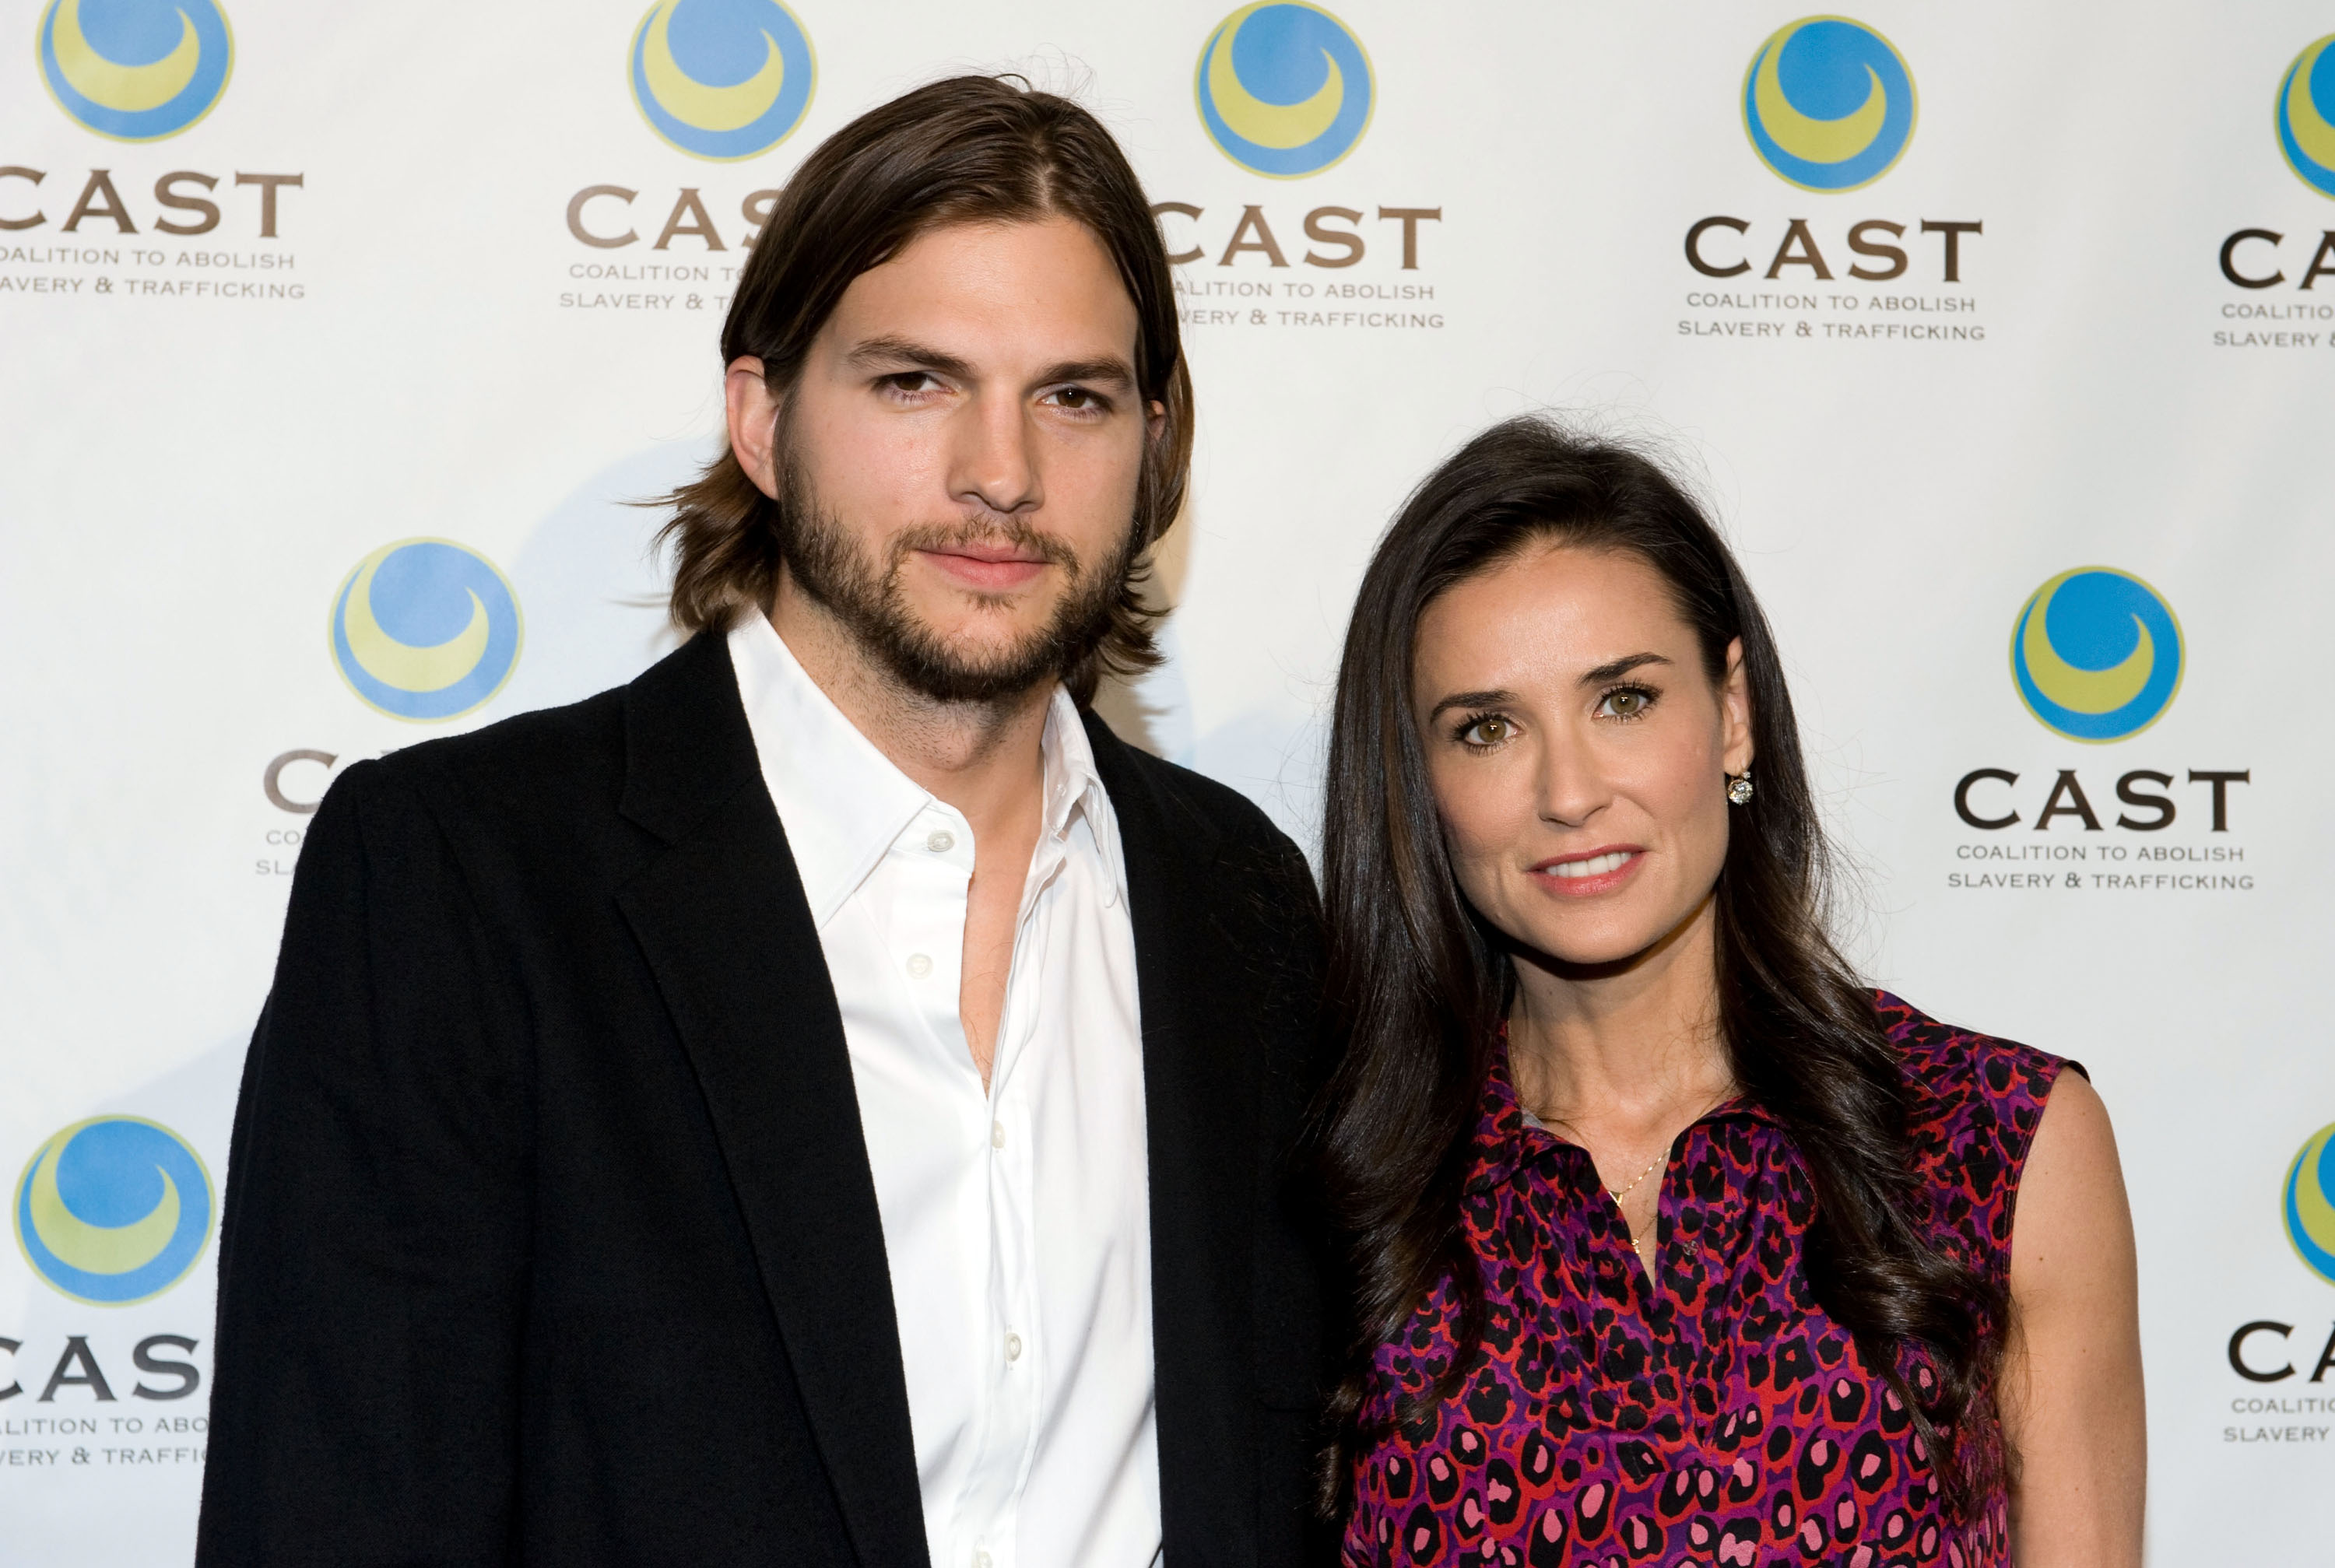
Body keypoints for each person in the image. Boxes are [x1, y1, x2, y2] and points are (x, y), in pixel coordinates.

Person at [197, 78, 1333, 1568]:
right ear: (761, 418)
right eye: (914, 383)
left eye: (1075, 395)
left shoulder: (1237, 899)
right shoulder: (463, 879)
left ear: (1154, 444)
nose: (1003, 472)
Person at [1314, 419, 2144, 1566]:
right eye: (1490, 728)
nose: (1568, 791)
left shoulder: (1998, 1139)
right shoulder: (1354, 1197)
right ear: (1419, 780)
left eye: (1624, 700)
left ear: (1733, 710)